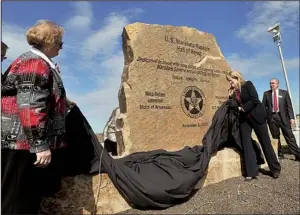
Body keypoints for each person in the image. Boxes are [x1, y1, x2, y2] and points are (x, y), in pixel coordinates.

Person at [1, 20, 68, 214]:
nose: (61, 48)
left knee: (25, 198)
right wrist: (40, 146)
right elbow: (31, 105)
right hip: (21, 143)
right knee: (15, 202)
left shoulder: (38, 62)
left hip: (23, 142)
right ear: (49, 42)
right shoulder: (34, 62)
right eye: (60, 43)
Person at [226, 71, 281, 181]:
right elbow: (234, 104)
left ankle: (275, 169)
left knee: (265, 142)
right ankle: (251, 172)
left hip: (257, 116)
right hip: (244, 120)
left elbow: (254, 99)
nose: (230, 83)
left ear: (236, 78)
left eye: (231, 81)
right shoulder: (233, 92)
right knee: (246, 143)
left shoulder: (248, 85)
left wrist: (243, 108)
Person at [262, 78, 300, 161]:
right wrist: (264, 117)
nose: (271, 85)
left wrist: (292, 118)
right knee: (276, 137)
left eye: (273, 83)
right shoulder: (266, 94)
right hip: (272, 118)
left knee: (289, 136)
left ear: (277, 84)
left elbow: (289, 106)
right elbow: (263, 107)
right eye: (270, 83)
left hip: (283, 118)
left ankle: (297, 155)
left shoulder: (284, 93)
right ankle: (279, 154)